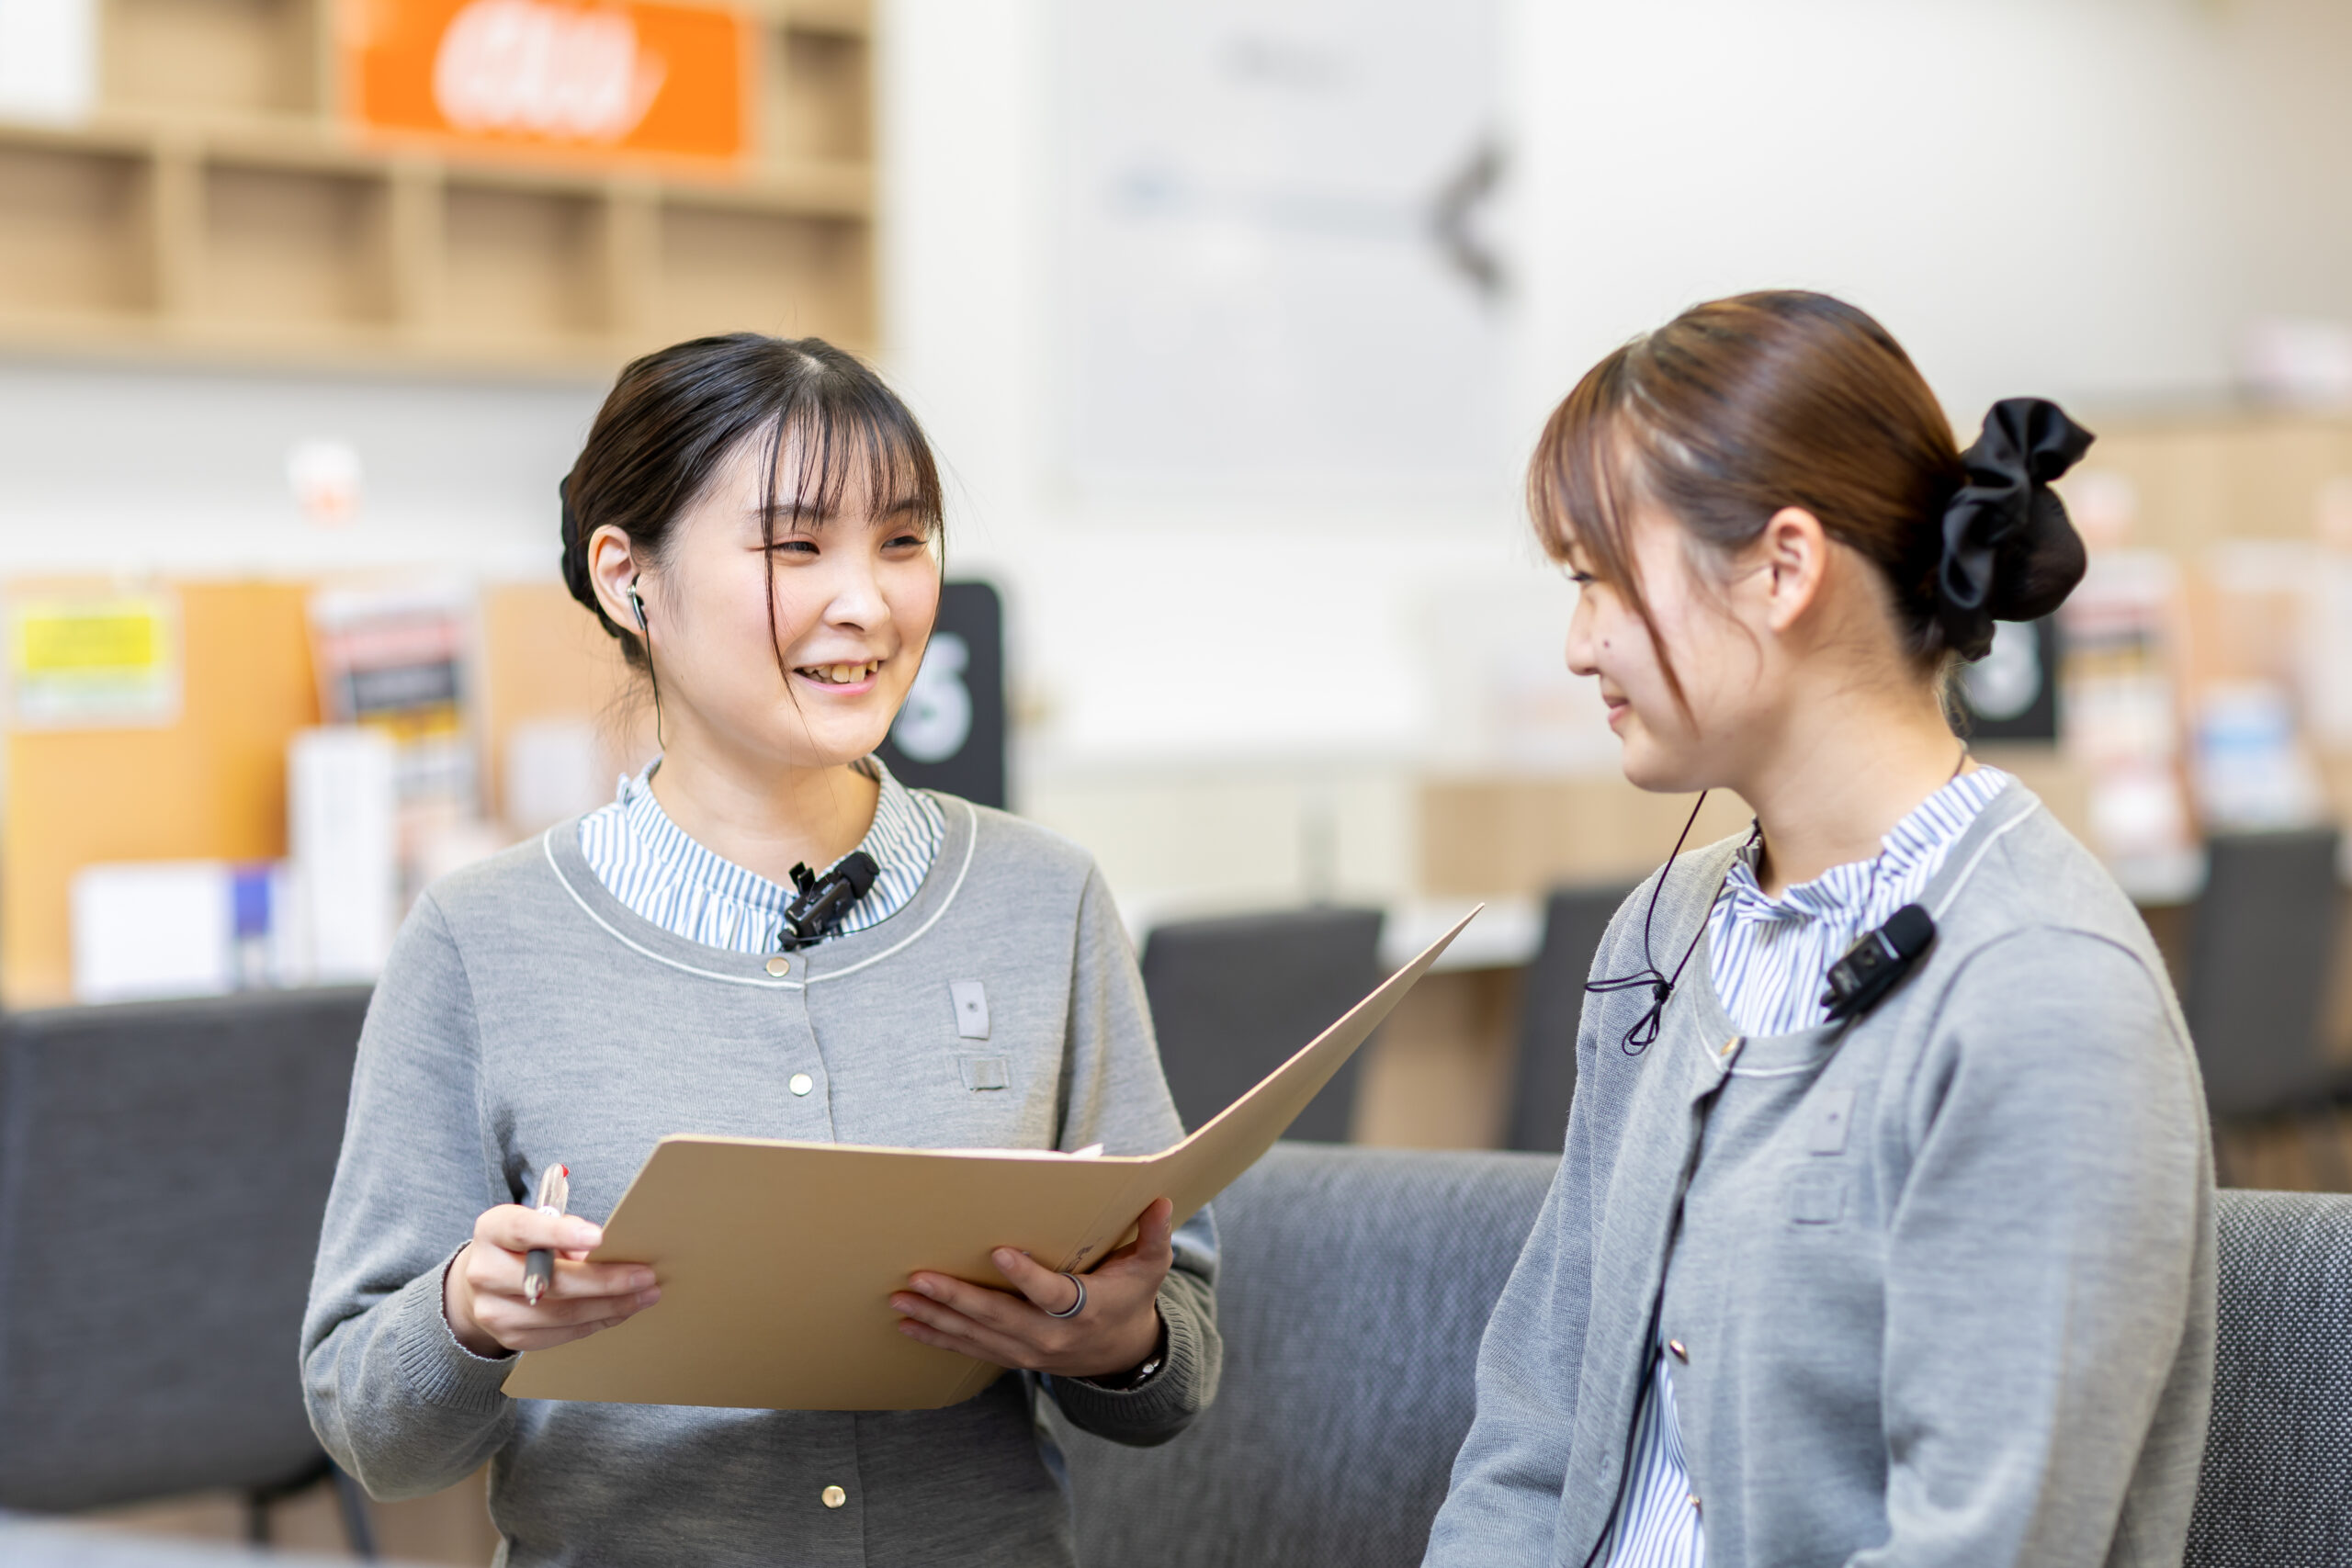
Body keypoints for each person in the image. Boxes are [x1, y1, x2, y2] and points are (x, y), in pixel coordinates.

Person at [303, 334, 1220, 1567]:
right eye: (797, 546)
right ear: (629, 576)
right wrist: (469, 1316)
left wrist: (1115, 1341)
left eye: (902, 541)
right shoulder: (480, 942)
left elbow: (1179, 1368)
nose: (869, 601)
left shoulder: (1042, 898)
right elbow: (374, 1429)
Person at [1423, 292, 2213, 1568]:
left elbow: (1987, 1545)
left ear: (1782, 568)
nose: (1577, 646)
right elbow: (1531, 1435)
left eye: (1600, 580)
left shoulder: (2042, 995)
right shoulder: (1663, 934)